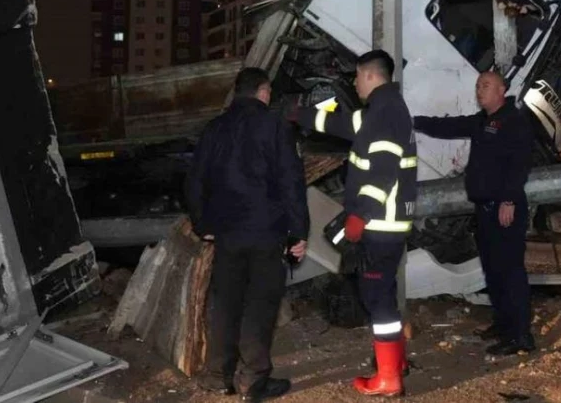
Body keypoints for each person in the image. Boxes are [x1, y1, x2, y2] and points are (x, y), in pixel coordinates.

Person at [292, 50, 417, 397]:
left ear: (370, 75)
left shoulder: (385, 112)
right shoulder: (384, 108)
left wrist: (360, 215)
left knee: (375, 296)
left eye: (357, 77)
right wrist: (299, 115)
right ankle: (395, 363)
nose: (354, 84)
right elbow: (342, 125)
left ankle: (389, 379)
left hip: (380, 222)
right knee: (385, 295)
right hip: (389, 223)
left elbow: (382, 170)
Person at [185, 67, 309, 402]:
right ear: (264, 91)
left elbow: (195, 182)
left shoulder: (214, 129)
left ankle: (218, 375)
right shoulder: (276, 126)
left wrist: (203, 224)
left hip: (226, 234)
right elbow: (291, 184)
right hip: (266, 232)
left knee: (225, 304)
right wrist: (298, 232)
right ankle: (253, 380)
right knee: (259, 304)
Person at [413, 70, 536, 356]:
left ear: (501, 90)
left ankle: (521, 336)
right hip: (484, 210)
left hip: (505, 210)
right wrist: (413, 122)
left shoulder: (513, 121)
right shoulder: (483, 121)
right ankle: (503, 325)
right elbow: (449, 126)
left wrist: (508, 200)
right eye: (478, 86)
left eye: (486, 85)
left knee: (510, 272)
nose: (480, 90)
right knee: (492, 272)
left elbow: (520, 164)